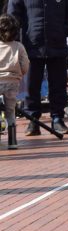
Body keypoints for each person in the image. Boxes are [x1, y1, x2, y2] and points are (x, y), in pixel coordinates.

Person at [8, 0, 68, 136]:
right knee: (32, 87)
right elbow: (13, 16)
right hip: (31, 47)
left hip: (57, 45)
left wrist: (66, 30)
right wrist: (16, 43)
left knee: (58, 86)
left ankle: (58, 119)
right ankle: (33, 122)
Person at [0, 14, 29, 149]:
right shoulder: (19, 46)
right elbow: (25, 65)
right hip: (12, 82)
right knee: (10, 111)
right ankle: (12, 142)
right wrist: (20, 74)